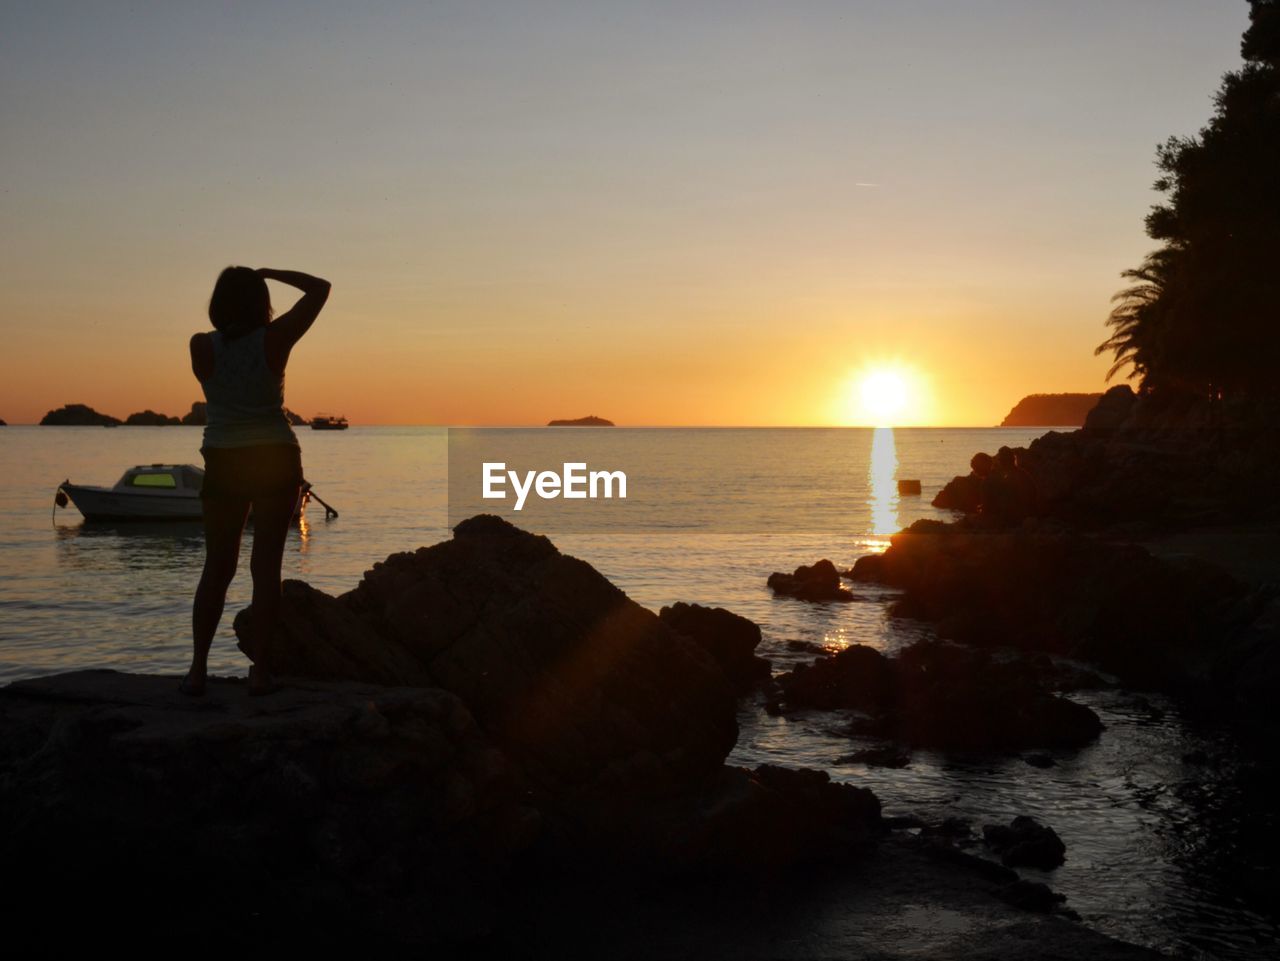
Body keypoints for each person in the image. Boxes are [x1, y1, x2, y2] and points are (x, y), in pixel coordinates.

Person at [180, 266, 331, 696]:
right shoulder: (275, 339)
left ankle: (196, 673)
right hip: (274, 457)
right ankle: (261, 674)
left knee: (217, 567)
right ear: (259, 301)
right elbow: (320, 290)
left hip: (224, 459)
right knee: (266, 570)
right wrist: (270, 273)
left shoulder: (200, 346)